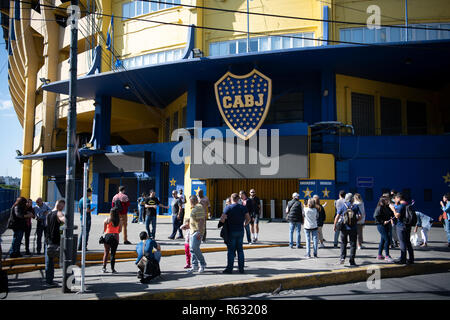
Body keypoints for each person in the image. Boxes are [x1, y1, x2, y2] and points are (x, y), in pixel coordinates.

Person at [220, 193, 251, 274]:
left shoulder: (228, 208)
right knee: (240, 250)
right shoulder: (243, 207)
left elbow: (222, 219)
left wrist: (225, 221)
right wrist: (244, 224)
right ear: (238, 199)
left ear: (231, 199)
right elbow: (248, 218)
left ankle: (229, 269)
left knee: (231, 251)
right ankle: (241, 269)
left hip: (231, 231)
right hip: (240, 230)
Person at [334, 193, 361, 266]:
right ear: (352, 199)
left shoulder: (343, 206)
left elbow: (337, 217)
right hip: (353, 228)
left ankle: (342, 258)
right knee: (353, 244)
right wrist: (355, 221)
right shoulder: (355, 206)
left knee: (343, 243)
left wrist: (335, 226)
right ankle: (352, 261)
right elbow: (360, 216)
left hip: (344, 228)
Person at [44, 199, 66, 286]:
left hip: (48, 240)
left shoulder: (48, 214)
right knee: (66, 260)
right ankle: (70, 279)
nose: (63, 207)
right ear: (60, 205)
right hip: (57, 241)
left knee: (49, 261)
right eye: (63, 206)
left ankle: (49, 280)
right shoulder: (59, 213)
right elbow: (63, 218)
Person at [389, 192, 414, 265]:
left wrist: (393, 209)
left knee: (402, 243)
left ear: (399, 198)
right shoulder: (407, 204)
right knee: (408, 242)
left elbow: (397, 216)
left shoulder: (401, 206)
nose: (395, 199)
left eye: (396, 198)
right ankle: (411, 259)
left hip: (401, 226)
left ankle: (403, 259)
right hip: (408, 226)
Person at [184, 195, 207, 273]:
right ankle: (194, 266)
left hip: (196, 231)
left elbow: (201, 220)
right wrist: (187, 226)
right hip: (192, 231)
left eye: (190, 201)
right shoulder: (195, 208)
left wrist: (200, 233)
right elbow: (194, 220)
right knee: (192, 249)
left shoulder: (198, 207)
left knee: (195, 248)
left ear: (192, 201)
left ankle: (203, 264)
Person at [373, 196, 394, 262]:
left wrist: (392, 208)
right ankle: (387, 256)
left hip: (386, 225)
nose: (388, 201)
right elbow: (375, 216)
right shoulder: (379, 208)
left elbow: (391, 213)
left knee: (383, 240)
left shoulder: (386, 207)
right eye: (386, 200)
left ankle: (379, 255)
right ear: (383, 201)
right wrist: (383, 221)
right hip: (381, 225)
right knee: (387, 239)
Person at [102, 208, 122, 273]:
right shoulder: (119, 220)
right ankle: (113, 269)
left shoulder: (107, 220)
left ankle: (104, 267)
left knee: (106, 252)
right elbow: (120, 230)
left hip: (107, 236)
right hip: (115, 236)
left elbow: (104, 230)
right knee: (113, 253)